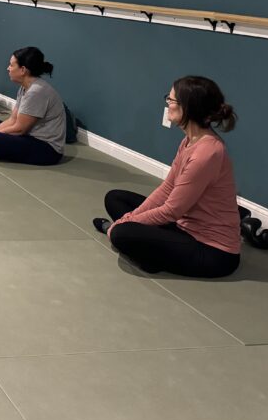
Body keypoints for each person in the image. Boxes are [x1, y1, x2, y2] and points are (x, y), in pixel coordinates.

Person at [93, 77, 242, 277]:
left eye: (171, 101)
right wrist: (129, 219)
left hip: (213, 252)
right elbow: (167, 188)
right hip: (184, 226)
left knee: (122, 233)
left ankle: (145, 253)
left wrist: (124, 225)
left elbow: (171, 211)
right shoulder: (189, 141)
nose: (167, 104)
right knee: (115, 198)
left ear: (189, 107)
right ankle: (147, 252)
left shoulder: (207, 153)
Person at [0, 46, 65, 164]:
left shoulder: (36, 91)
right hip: (30, 136)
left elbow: (20, 129)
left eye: (11, 65)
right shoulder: (24, 88)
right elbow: (13, 120)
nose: (8, 68)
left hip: (48, 150)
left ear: (23, 70)